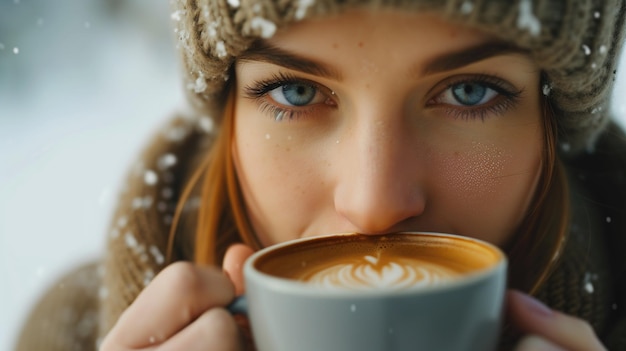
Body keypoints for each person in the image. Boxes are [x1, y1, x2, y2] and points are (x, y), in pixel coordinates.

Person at [15, 0, 626, 350]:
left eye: (469, 93)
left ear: (551, 121)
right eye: (296, 90)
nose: (374, 203)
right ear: (228, 117)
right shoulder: (61, 335)